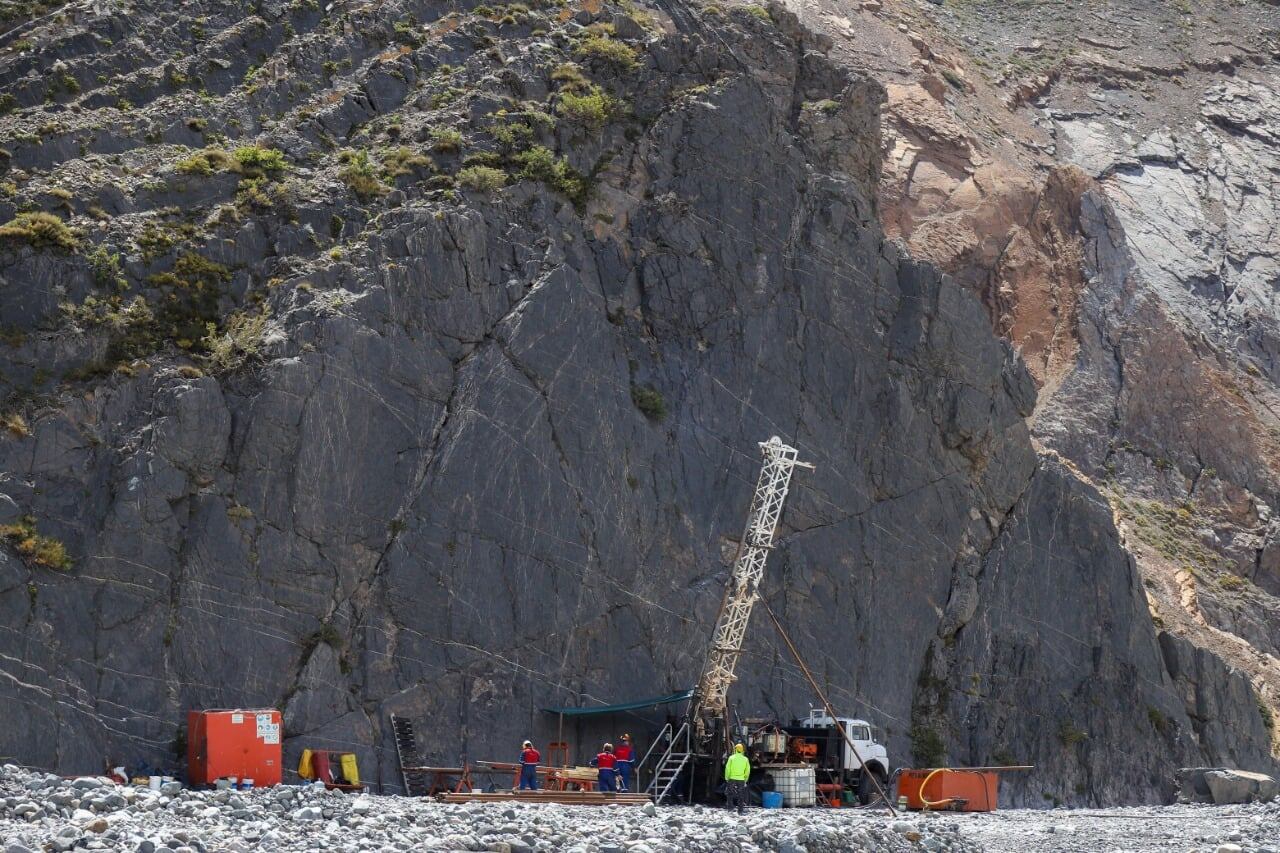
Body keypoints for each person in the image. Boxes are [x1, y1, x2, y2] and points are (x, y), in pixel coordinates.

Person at [724, 743, 750, 814]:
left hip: (732, 778)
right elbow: (747, 771)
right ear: (742, 750)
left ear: (735, 749)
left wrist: (727, 777)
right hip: (741, 779)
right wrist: (745, 779)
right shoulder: (745, 759)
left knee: (730, 794)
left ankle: (730, 808)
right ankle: (740, 810)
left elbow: (727, 768)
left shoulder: (731, 758)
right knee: (741, 795)